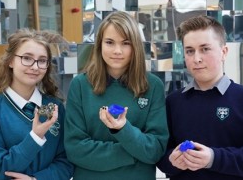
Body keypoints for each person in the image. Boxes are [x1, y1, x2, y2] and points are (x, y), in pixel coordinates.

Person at [157, 15, 243, 180]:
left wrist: (214, 158)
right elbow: (160, 156)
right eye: (190, 51)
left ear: (224, 52)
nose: (197, 58)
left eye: (205, 49)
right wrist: (171, 161)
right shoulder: (173, 102)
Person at [64, 11, 169, 180]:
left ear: (135, 46)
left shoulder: (153, 86)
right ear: (99, 45)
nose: (117, 51)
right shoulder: (80, 85)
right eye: (110, 42)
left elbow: (155, 150)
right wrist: (132, 152)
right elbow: (75, 149)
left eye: (125, 43)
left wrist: (122, 129)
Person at [0, 29, 74, 180]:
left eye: (42, 60)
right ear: (10, 61)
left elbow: (67, 163)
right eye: (27, 58)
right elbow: (0, 170)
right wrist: (35, 137)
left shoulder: (56, 107)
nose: (35, 67)